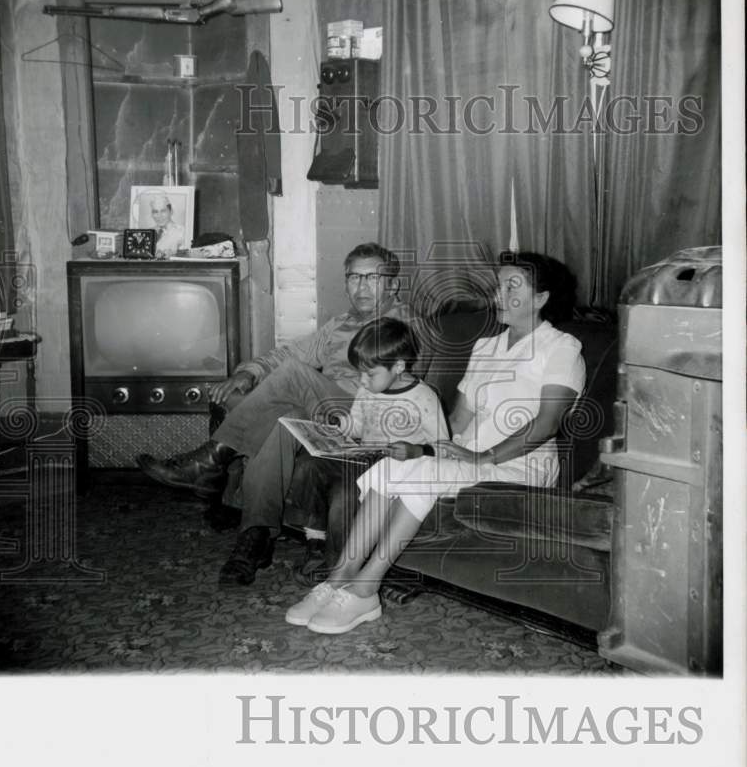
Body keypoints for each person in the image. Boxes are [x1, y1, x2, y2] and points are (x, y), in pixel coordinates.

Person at [287, 251, 587, 635]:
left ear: (541, 298)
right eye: (499, 284)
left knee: (421, 475)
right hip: (469, 457)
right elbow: (458, 420)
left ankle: (366, 589)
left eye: (513, 285)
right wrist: (428, 449)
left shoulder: (563, 348)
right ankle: (340, 577)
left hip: (520, 465)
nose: (500, 293)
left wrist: (482, 456)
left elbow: (545, 425)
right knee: (392, 464)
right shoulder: (486, 347)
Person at [136, 242, 415, 584]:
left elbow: (405, 390)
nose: (361, 287)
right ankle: (256, 536)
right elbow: (289, 353)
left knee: (296, 375)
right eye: (354, 277)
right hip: (326, 414)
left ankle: (212, 458)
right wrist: (249, 372)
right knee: (283, 421)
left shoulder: (405, 324)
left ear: (393, 284)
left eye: (373, 278)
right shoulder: (338, 324)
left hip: (368, 417)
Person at [286, 316, 448, 600]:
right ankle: (315, 539)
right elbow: (357, 426)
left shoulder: (424, 397)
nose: (362, 381)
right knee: (307, 464)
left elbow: (444, 446)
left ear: (398, 367)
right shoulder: (368, 389)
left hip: (394, 472)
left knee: (346, 492)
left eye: (369, 374)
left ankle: (340, 568)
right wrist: (339, 425)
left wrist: (415, 450)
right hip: (362, 459)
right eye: (359, 373)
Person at [146, 192, 185, 257]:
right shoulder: (148, 232)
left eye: (163, 211)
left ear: (171, 211)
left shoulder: (182, 232)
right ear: (152, 214)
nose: (159, 216)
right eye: (155, 212)